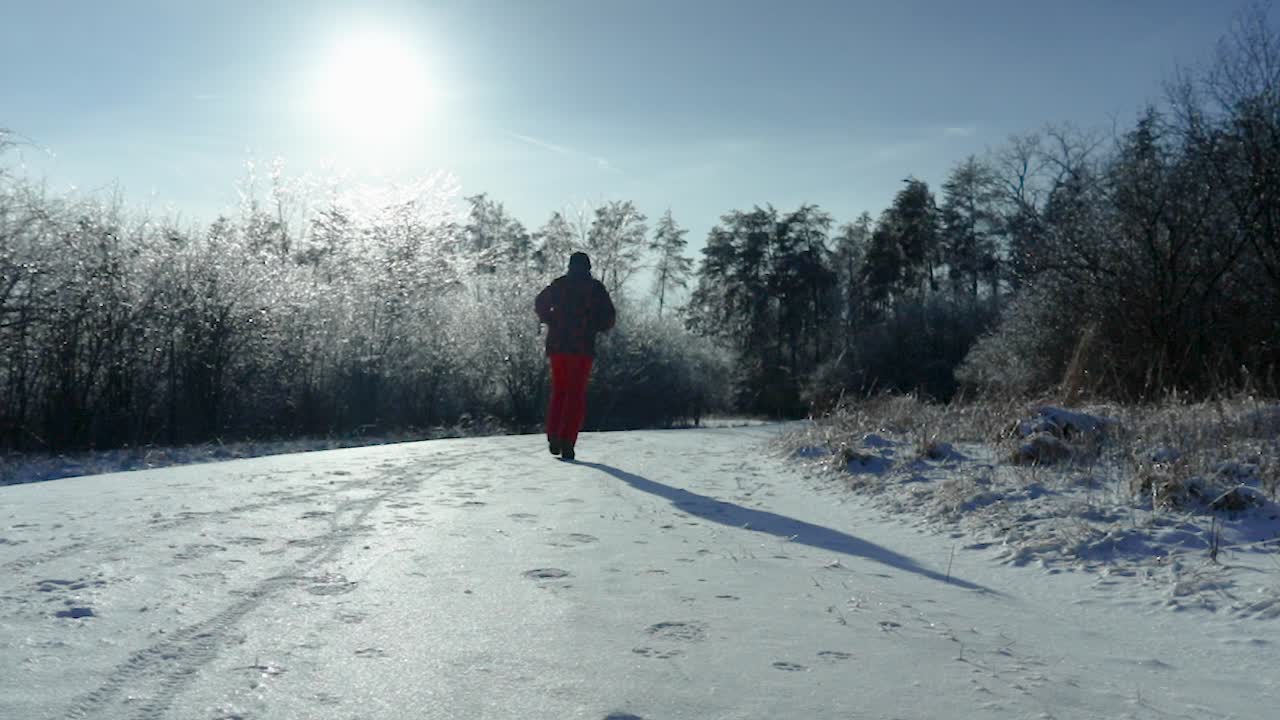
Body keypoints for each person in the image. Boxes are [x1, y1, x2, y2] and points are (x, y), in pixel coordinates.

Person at [534, 252, 616, 460]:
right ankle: (568, 441)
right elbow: (609, 317)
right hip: (582, 347)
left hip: (558, 346)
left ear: (570, 266)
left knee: (560, 391)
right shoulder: (595, 289)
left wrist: (551, 319)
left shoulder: (560, 284)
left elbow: (540, 302)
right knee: (576, 394)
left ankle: (553, 435)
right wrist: (594, 326)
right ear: (588, 267)